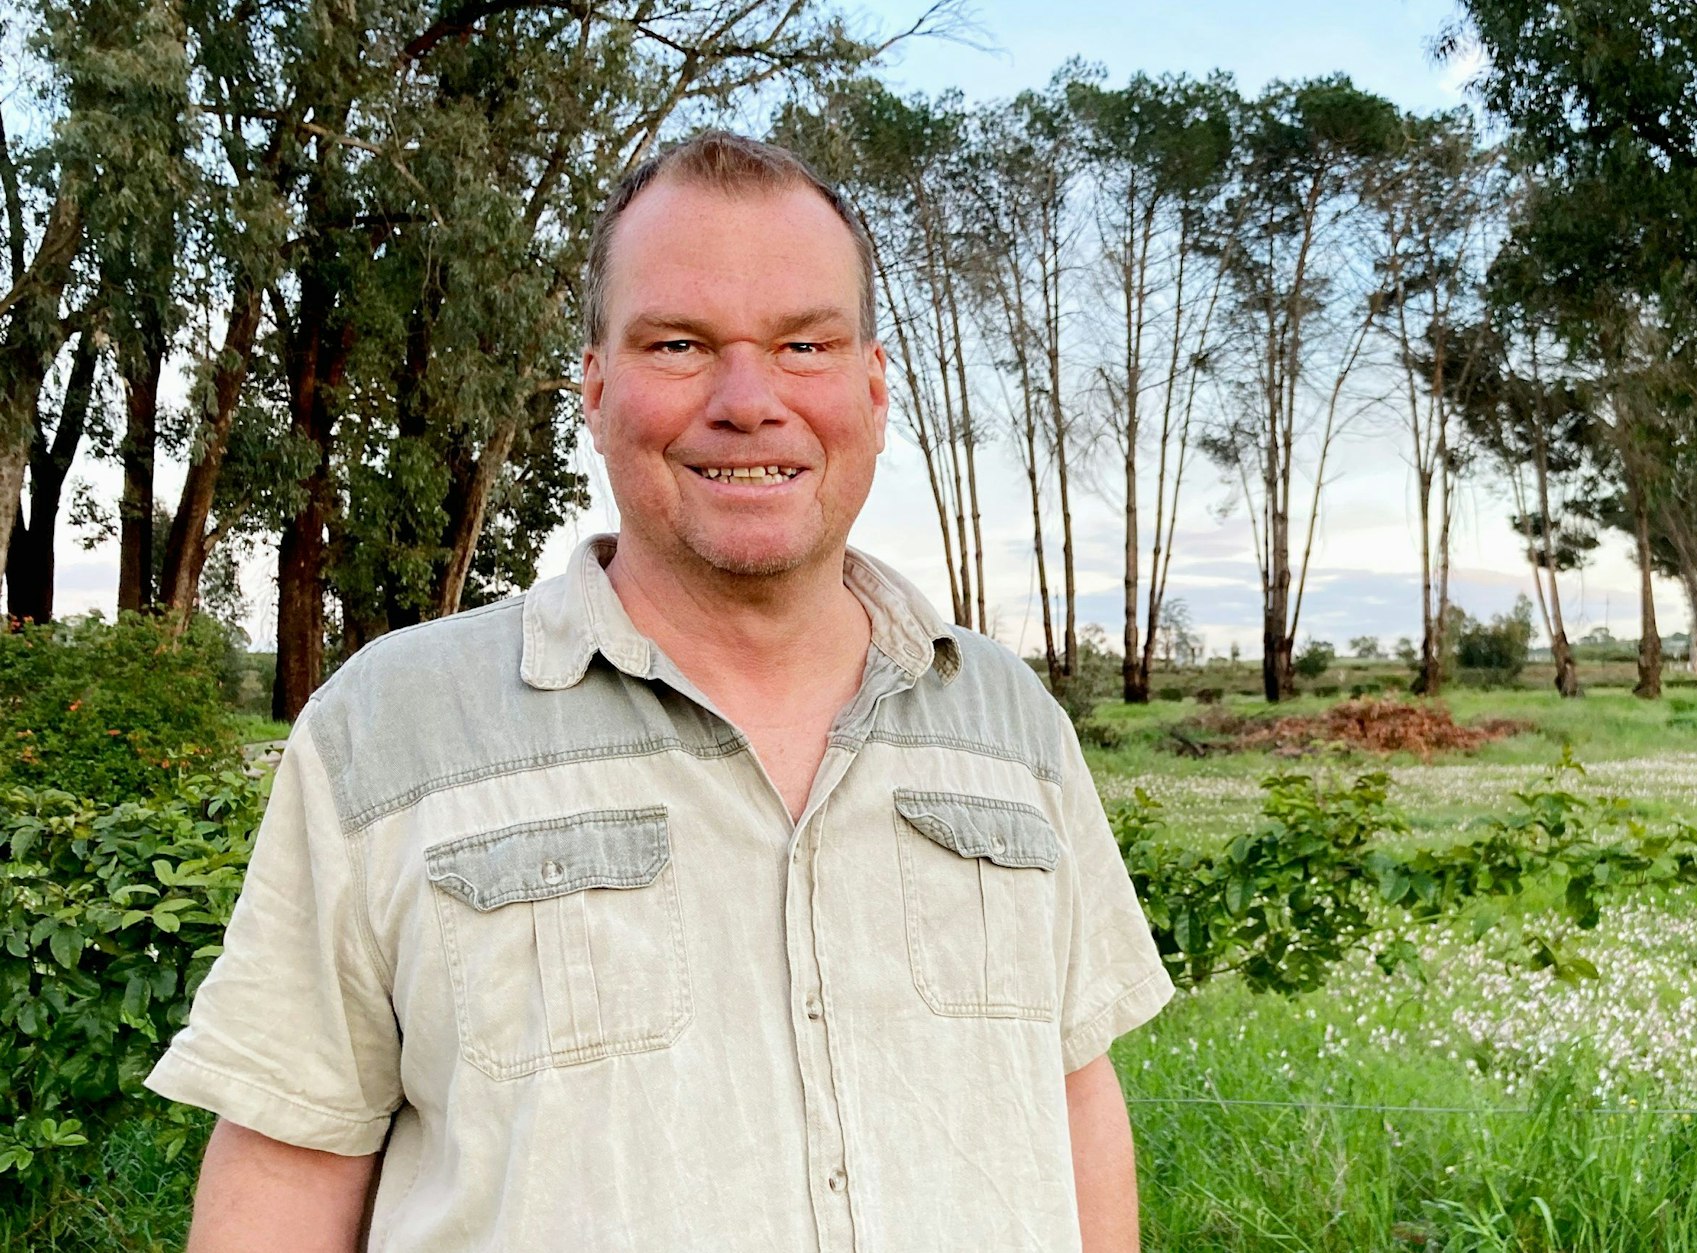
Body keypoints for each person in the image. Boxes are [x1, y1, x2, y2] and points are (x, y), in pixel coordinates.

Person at [147, 130, 1175, 1252]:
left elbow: (1072, 1099)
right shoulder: (390, 732)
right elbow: (289, 1166)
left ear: (872, 388)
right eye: (680, 343)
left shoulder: (1008, 723)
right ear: (593, 388)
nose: (748, 400)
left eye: (803, 343)